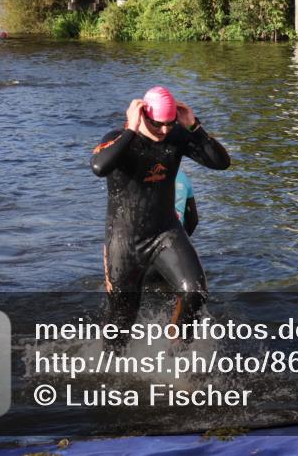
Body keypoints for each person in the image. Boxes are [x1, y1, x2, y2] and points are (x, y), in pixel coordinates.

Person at [91, 86, 230, 350]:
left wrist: (194, 127)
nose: (164, 131)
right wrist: (130, 130)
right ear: (142, 116)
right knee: (122, 323)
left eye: (169, 124)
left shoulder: (175, 136)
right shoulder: (119, 138)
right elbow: (99, 167)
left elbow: (221, 162)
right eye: (158, 125)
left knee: (195, 292)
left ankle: (175, 352)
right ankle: (108, 368)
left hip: (165, 232)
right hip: (125, 240)